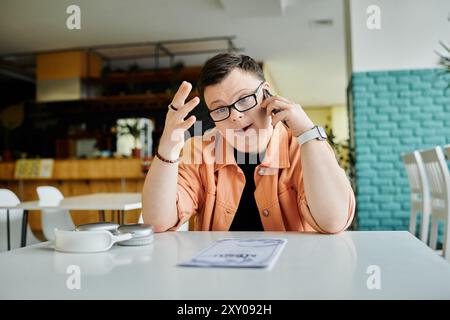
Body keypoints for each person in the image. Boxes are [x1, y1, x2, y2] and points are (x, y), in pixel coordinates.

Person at [142, 53, 355, 233]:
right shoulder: (199, 150)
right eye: (220, 109)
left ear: (267, 93)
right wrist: (168, 147)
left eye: (244, 99)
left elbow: (333, 221)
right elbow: (157, 222)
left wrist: (308, 134)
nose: (234, 116)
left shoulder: (304, 147)